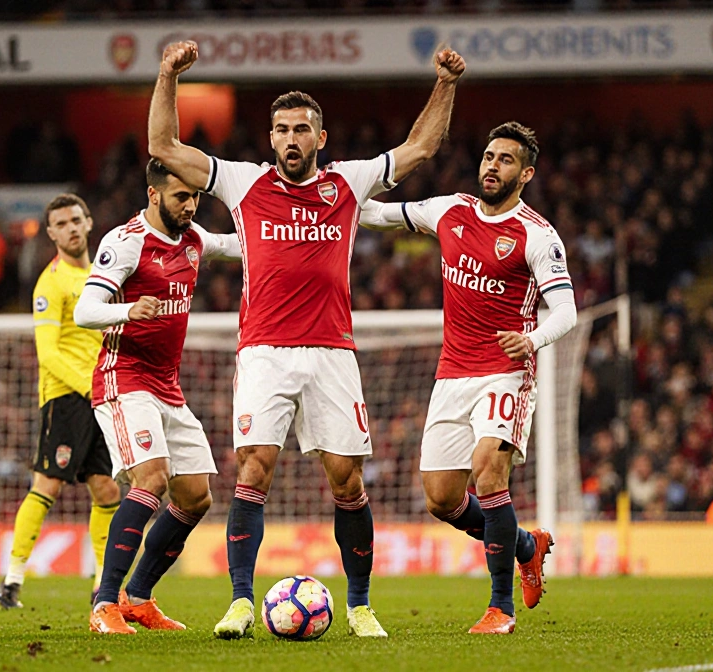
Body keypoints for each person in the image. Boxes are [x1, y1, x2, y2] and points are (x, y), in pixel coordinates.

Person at [147, 39, 466, 639]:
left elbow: (421, 148)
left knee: (346, 478)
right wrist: (168, 75)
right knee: (254, 466)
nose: (290, 139)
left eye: (301, 129)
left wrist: (445, 83)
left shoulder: (348, 182)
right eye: (281, 129)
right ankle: (241, 601)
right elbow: (163, 148)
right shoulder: (243, 184)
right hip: (264, 350)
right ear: (270, 138)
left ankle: (361, 605)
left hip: (332, 351)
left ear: (320, 137)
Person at [359, 122, 576, 635]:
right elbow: (376, 215)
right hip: (452, 373)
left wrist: (534, 340)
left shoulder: (537, 235)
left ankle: (501, 608)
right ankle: (526, 545)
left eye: (504, 160)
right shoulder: (448, 210)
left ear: (525, 174)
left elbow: (565, 310)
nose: (491, 166)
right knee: (441, 498)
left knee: (488, 472)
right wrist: (341, 190)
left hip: (506, 371)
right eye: (487, 156)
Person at [74, 159, 241, 635]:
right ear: (153, 195)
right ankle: (103, 604)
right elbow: (86, 311)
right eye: (180, 197)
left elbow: (233, 245)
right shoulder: (125, 242)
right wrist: (128, 309)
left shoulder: (192, 238)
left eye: (194, 198)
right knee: (151, 478)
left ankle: (138, 599)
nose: (189, 206)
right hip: (122, 378)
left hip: (167, 384)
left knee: (195, 496)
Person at [0, 194, 123, 610]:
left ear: (88, 223)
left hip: (100, 394)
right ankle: (12, 580)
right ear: (50, 234)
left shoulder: (102, 278)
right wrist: (89, 387)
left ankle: (102, 589)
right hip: (66, 397)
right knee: (46, 485)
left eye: (75, 220)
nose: (70, 228)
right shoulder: (50, 284)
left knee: (106, 490)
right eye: (61, 224)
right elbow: (47, 353)